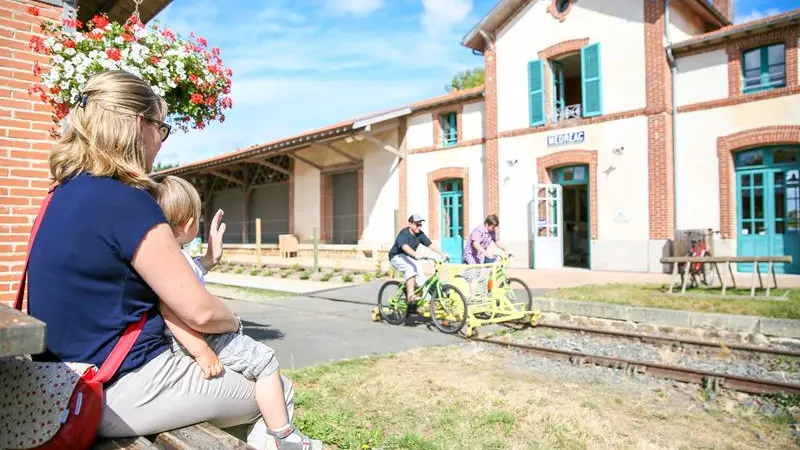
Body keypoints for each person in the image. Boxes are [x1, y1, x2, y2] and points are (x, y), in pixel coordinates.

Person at [26, 70, 321, 450]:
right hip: (116, 387)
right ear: (138, 124)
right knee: (276, 388)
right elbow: (198, 311)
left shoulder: (58, 196)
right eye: (161, 129)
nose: (160, 143)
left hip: (61, 380)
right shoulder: (126, 201)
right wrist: (234, 320)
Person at [152, 175, 279, 383]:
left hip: (192, 337)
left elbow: (192, 272)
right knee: (266, 361)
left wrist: (209, 259)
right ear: (189, 224)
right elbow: (169, 311)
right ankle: (278, 418)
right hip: (193, 339)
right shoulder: (174, 259)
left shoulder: (174, 254)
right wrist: (201, 351)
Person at [388, 214, 449, 306]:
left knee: (420, 272)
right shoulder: (404, 233)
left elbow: (430, 244)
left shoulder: (420, 234)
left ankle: (419, 298)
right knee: (410, 269)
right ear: (410, 224)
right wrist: (416, 255)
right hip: (396, 256)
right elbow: (405, 246)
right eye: (417, 224)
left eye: (420, 225)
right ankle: (411, 295)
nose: (419, 227)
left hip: (408, 257)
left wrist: (442, 253)